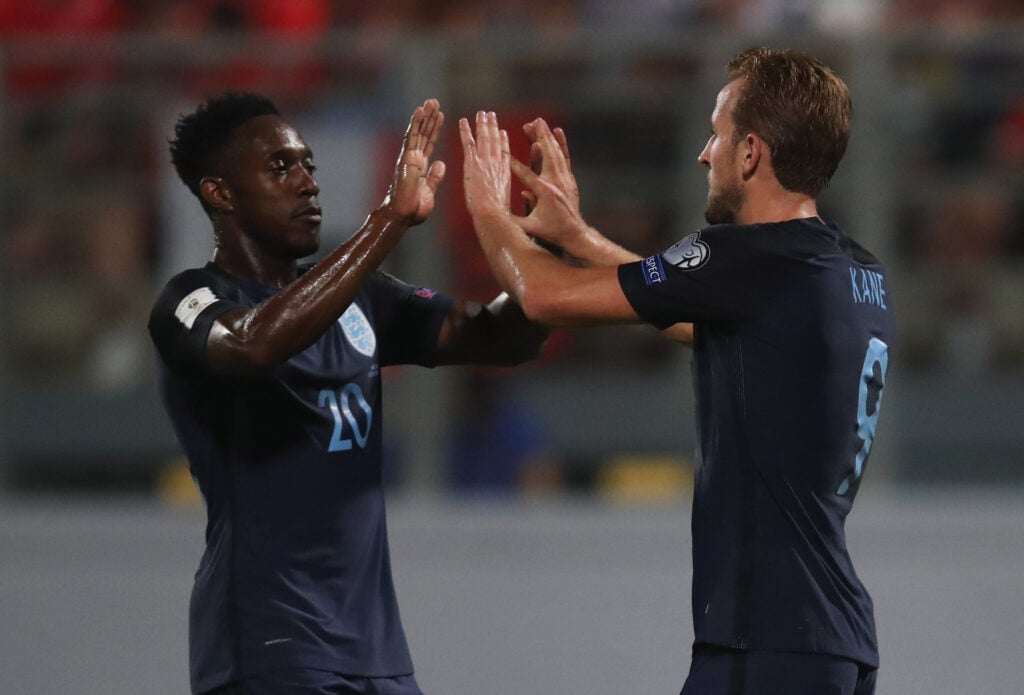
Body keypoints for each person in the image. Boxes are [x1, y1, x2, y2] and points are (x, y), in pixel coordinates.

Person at [459, 47, 891, 695]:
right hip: (832, 642)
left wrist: (487, 211)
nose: (702, 153)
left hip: (765, 640)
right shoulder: (853, 271)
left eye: (715, 134)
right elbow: (704, 317)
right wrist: (578, 236)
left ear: (751, 153)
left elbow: (544, 297)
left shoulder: (747, 259)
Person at [148, 92, 547, 695]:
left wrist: (549, 246)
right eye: (280, 167)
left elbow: (501, 339)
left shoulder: (361, 295)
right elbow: (252, 346)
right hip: (267, 647)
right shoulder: (187, 300)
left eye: (308, 164)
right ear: (220, 193)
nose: (307, 183)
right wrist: (386, 222)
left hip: (375, 655)